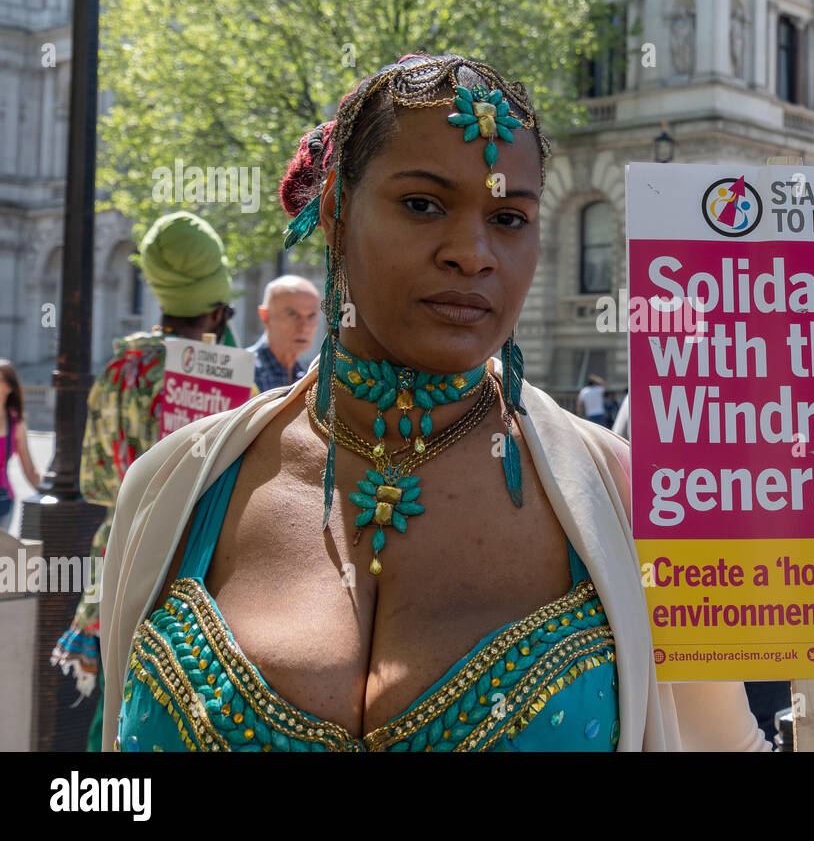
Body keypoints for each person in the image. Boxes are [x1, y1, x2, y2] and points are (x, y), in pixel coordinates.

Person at [98, 54, 766, 752]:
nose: (472, 253)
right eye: (422, 204)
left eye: (509, 217)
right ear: (335, 210)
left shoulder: (633, 503)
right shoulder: (170, 489)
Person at [51, 212, 239, 751]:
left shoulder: (121, 367)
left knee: (111, 710)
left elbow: (93, 480)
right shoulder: (222, 371)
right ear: (216, 303)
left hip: (120, 556)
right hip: (195, 568)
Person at [248, 275, 320, 390]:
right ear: (265, 316)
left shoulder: (308, 379)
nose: (304, 327)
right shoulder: (242, 373)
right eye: (292, 314)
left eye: (311, 316)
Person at [0, 360, 43, 535]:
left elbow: (29, 469)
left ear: (10, 386)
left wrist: (47, 495)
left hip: (3, 502)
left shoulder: (16, 424)